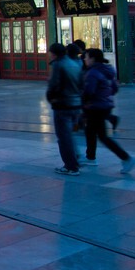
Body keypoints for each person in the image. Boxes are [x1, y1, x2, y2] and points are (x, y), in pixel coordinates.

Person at [81, 49, 135, 174]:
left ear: (93, 59)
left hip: (95, 107)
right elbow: (114, 88)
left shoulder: (93, 73)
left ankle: (126, 158)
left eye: (87, 57)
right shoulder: (107, 71)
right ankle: (90, 157)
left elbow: (89, 92)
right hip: (105, 105)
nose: (85, 59)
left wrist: (82, 102)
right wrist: (105, 96)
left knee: (102, 136)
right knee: (89, 131)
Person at [46, 43, 82, 176]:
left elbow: (54, 85)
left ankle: (71, 166)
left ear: (53, 53)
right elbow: (81, 83)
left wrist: (51, 99)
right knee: (70, 134)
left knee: (64, 137)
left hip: (63, 105)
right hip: (76, 104)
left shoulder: (58, 64)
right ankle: (74, 162)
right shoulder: (74, 63)